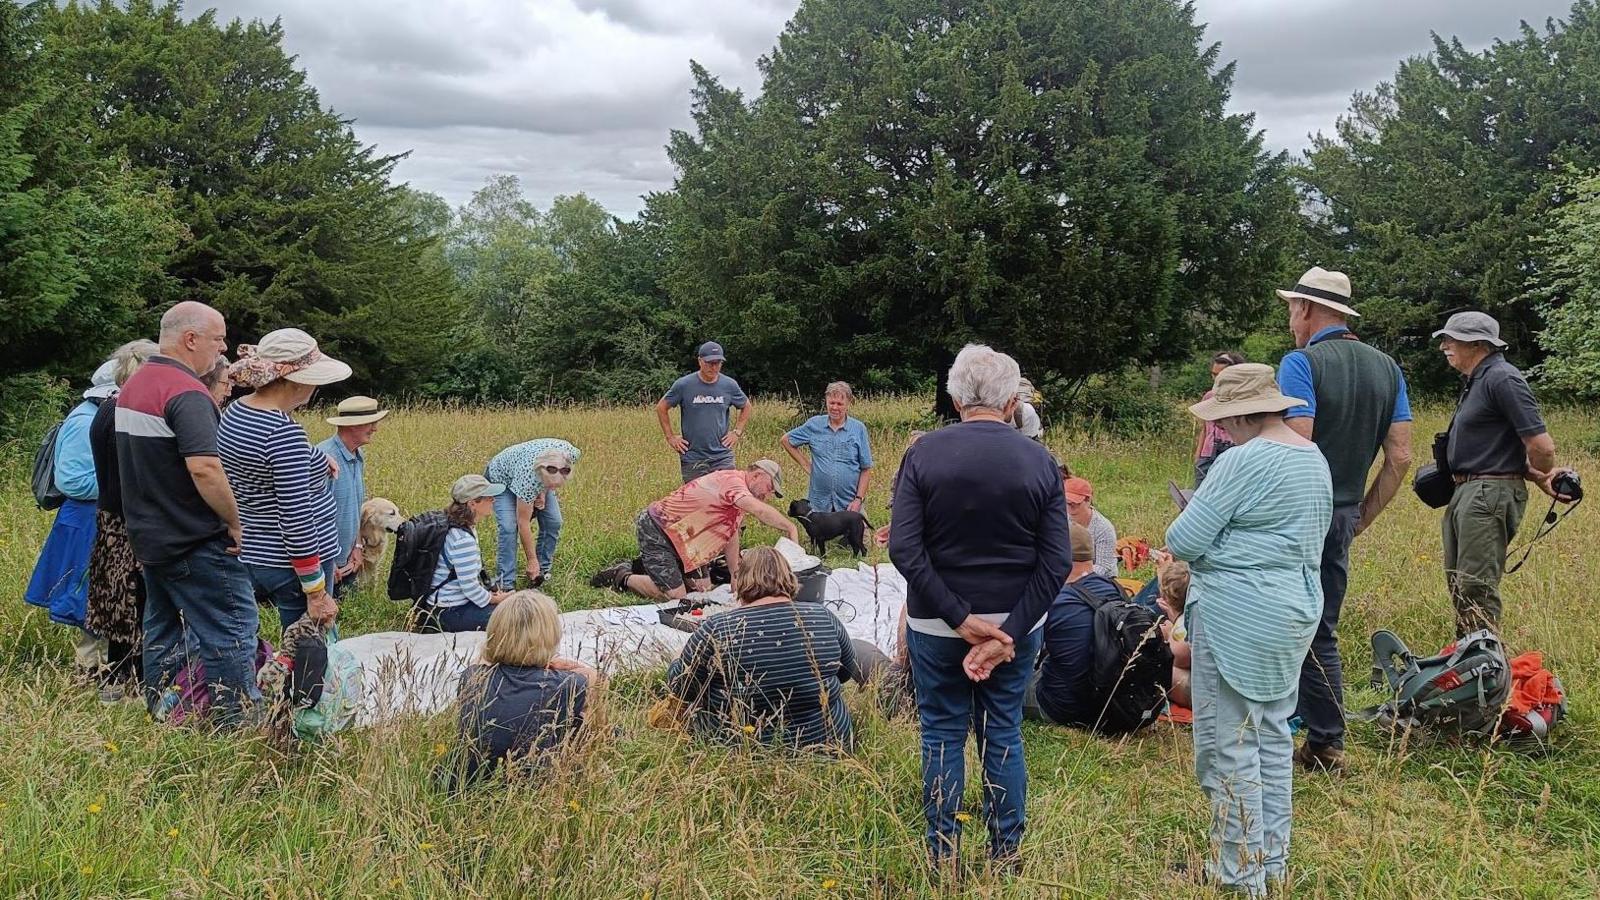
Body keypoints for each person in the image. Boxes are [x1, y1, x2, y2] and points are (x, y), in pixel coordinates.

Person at [888, 344, 1070, 872]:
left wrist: (956, 616)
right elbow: (1057, 559)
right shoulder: (1038, 459)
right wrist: (1006, 631)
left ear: (954, 396)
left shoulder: (923, 453)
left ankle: (942, 851)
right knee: (1003, 730)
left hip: (937, 622)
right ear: (1012, 402)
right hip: (1014, 619)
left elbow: (904, 547)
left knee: (942, 730)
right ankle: (1006, 853)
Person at [1164, 362, 1332, 897]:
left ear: (1238, 417)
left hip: (1239, 615)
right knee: (1272, 737)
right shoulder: (1314, 458)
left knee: (1226, 747)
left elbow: (1185, 539)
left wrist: (1221, 552)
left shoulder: (1243, 459)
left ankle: (1239, 877)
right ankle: (1271, 863)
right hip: (1294, 611)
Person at [1274, 266, 1413, 772]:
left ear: (1308, 309)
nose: (1291, 319)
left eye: (1292, 308)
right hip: (1344, 512)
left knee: (1282, 621)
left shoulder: (1301, 363)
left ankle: (1273, 726)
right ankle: (1327, 742)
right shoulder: (1388, 369)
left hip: (1298, 514)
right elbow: (1399, 457)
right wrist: (1360, 517)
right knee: (1322, 627)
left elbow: (1297, 444)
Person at [116, 301, 258, 725]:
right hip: (195, 539)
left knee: (161, 630)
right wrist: (234, 521)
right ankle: (236, 725)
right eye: (218, 339)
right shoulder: (187, 393)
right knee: (231, 631)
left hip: (151, 537)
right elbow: (204, 467)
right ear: (190, 339)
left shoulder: (136, 385)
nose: (224, 348)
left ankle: (163, 713)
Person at [1434, 311, 1577, 636]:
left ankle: (1486, 673)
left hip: (1487, 494)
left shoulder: (1503, 378)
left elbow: (1541, 446)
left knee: (1476, 587)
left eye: (1451, 339)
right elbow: (1501, 448)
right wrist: (1535, 476)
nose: (1444, 345)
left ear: (1478, 344)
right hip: (1470, 492)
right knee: (1461, 583)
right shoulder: (1479, 379)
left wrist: (1545, 472)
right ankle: (1469, 663)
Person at [218, 328, 353, 630]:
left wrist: (317, 458)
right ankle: (305, 680)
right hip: (292, 561)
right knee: (308, 643)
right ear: (294, 380)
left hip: (255, 548)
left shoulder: (236, 413)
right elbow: (296, 516)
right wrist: (316, 591)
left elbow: (265, 463)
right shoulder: (284, 433)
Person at [665, 546, 862, 751]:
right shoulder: (823, 616)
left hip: (742, 751)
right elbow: (846, 672)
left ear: (741, 579)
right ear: (789, 577)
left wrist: (678, 660)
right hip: (829, 743)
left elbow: (681, 687)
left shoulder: (717, 628)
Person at [25, 358, 120, 676]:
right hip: (85, 519)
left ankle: (105, 664)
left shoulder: (95, 416)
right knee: (90, 595)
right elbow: (73, 481)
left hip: (94, 516)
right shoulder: (84, 421)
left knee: (102, 592)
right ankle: (89, 669)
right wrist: (122, 485)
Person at [591, 460, 799, 601]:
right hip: (660, 530)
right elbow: (759, 511)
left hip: (689, 543)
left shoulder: (739, 499)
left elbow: (730, 533)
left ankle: (654, 568)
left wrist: (735, 574)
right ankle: (622, 576)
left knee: (702, 592)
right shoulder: (733, 482)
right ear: (756, 475)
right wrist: (790, 527)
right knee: (676, 598)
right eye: (770, 487)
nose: (768, 494)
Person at [450, 590, 598, 787]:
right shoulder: (567, 684)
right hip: (533, 786)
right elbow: (594, 677)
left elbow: (480, 660)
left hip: (471, 781)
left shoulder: (472, 676)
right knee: (584, 717)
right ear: (550, 636)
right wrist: (553, 663)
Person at [84, 339, 160, 702]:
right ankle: (140, 685)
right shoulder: (131, 415)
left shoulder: (105, 410)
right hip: (133, 524)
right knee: (139, 604)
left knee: (118, 604)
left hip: (111, 521)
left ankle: (117, 681)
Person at [1022, 523, 1125, 727]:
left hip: (1061, 706)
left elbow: (1023, 653)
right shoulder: (1116, 588)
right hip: (1111, 702)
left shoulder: (1054, 601)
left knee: (989, 689)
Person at [484, 438, 580, 590]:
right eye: (550, 485)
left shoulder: (571, 454)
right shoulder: (528, 478)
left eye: (556, 486)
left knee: (553, 521)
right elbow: (523, 523)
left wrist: (544, 490)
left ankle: (541, 573)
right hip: (501, 479)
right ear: (540, 474)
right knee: (509, 526)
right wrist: (531, 559)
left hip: (532, 475)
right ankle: (506, 582)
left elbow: (551, 478)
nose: (553, 489)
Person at [317, 396, 390, 596]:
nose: (375, 428)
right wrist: (326, 563)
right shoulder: (324, 458)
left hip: (348, 564)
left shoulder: (358, 456)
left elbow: (354, 509)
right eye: (371, 423)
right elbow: (312, 517)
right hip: (325, 569)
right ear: (352, 426)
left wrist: (358, 546)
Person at [657, 341, 751, 483]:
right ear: (700, 361)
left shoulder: (729, 385)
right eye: (709, 363)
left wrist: (737, 432)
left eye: (717, 363)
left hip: (722, 456)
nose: (714, 367)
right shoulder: (684, 385)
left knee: (726, 498)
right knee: (697, 501)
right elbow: (661, 407)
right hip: (693, 457)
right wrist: (670, 437)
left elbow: (746, 406)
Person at [429, 475, 511, 632]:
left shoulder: (458, 526)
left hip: (442, 605)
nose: (493, 500)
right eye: (488, 497)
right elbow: (469, 587)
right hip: (449, 612)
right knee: (512, 617)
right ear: (473, 503)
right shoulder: (462, 539)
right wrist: (495, 599)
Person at [781, 381, 873, 513]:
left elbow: (866, 468)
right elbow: (786, 440)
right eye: (832, 403)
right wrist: (806, 465)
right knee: (817, 534)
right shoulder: (814, 425)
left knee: (860, 534)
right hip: (819, 505)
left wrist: (858, 499)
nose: (835, 408)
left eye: (839, 404)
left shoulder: (858, 429)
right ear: (826, 401)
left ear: (848, 403)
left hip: (849, 505)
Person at [1193, 351, 1246, 486]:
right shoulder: (1209, 397)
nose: (1216, 379)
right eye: (1214, 374)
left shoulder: (1244, 397)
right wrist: (1198, 455)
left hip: (1232, 450)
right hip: (1208, 452)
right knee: (1201, 490)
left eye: (1220, 375)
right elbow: (1205, 428)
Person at [1155, 554, 1193, 708]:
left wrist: (1169, 633)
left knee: (1160, 667)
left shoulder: (1183, 624)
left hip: (1208, 693)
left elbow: (1175, 658)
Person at [1064, 477, 1118, 578]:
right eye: (1067, 503)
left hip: (1098, 580)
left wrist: (1074, 574)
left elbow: (1103, 567)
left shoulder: (1104, 528)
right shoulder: (1060, 519)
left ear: (1088, 500)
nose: (1070, 507)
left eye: (1076, 503)